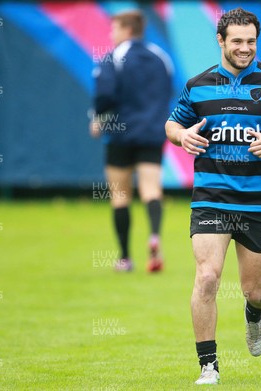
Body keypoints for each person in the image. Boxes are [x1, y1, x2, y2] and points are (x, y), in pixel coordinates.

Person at [165, 7, 261, 385]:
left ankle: (255, 315)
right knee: (207, 276)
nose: (245, 48)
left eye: (251, 41)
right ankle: (208, 366)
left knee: (256, 289)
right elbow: (172, 123)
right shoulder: (198, 84)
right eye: (237, 41)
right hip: (211, 197)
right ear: (221, 41)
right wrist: (182, 136)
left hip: (260, 202)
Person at [90, 10, 172, 273]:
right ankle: (155, 236)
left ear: (126, 30)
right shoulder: (161, 57)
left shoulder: (114, 58)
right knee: (151, 190)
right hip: (152, 132)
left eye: (114, 29)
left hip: (120, 133)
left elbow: (105, 95)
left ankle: (125, 258)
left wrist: (98, 118)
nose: (111, 35)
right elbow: (168, 93)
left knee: (120, 195)